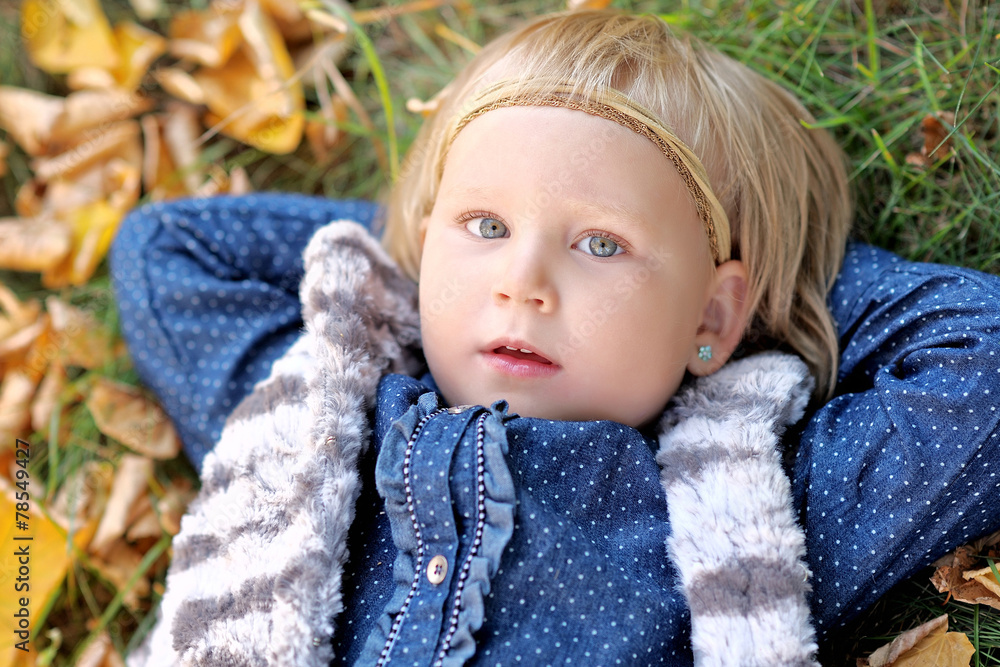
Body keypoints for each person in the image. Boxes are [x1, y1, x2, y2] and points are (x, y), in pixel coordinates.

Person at [117, 10, 1000, 667]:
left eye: (601, 243)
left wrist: (773, 288)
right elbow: (164, 249)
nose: (521, 282)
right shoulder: (316, 431)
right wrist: (423, 252)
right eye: (485, 226)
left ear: (715, 317)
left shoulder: (738, 522)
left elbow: (984, 358)